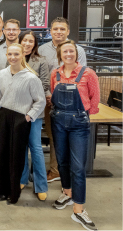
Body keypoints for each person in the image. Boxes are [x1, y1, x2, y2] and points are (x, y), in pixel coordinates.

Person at [49, 40, 99, 231]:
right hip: (59, 121)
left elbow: (95, 98)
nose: (68, 54)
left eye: (71, 51)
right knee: (62, 161)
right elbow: (54, 95)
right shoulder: (56, 73)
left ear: (76, 54)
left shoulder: (88, 73)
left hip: (79, 123)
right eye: (65, 51)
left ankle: (79, 210)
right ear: (60, 55)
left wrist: (85, 115)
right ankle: (67, 193)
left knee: (78, 167)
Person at [0, 43, 46, 204]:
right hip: (4, 115)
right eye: (10, 54)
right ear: (6, 55)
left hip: (21, 118)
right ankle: (1, 190)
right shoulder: (2, 73)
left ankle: (13, 194)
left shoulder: (31, 77)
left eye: (16, 54)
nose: (13, 57)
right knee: (2, 154)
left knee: (16, 156)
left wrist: (29, 116)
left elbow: (40, 101)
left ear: (22, 55)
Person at [38, 17, 87, 183]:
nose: (58, 32)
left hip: (74, 103)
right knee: (55, 137)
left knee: (73, 139)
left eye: (62, 29)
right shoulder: (43, 49)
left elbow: (83, 76)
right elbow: (44, 76)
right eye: (55, 29)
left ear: (68, 31)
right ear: (50, 31)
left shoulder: (78, 50)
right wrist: (48, 95)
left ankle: (72, 173)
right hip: (50, 101)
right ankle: (55, 170)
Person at [18, 31, 50, 201]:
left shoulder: (41, 61)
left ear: (35, 44)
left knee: (36, 148)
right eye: (25, 40)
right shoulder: (15, 59)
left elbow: (45, 85)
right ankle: (23, 178)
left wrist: (32, 106)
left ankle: (41, 185)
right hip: (18, 112)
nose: (27, 44)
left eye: (31, 41)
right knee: (21, 146)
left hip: (35, 112)